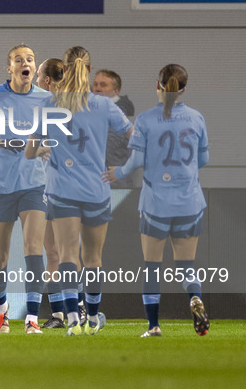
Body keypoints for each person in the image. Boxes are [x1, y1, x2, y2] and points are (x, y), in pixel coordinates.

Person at [26, 46, 133, 336]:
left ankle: (72, 316)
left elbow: (29, 152)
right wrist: (120, 170)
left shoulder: (49, 104)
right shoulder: (104, 105)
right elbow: (134, 137)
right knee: (94, 258)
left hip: (62, 191)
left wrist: (46, 148)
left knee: (66, 256)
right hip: (97, 190)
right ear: (88, 70)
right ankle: (94, 316)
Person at [102, 64, 210, 338]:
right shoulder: (197, 118)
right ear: (184, 88)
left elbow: (136, 161)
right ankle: (195, 298)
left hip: (156, 203)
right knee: (186, 264)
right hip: (190, 202)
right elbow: (204, 159)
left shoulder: (147, 119)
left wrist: (119, 172)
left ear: (157, 85)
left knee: (152, 265)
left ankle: (153, 326)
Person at [0, 44, 49, 334]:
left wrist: (42, 148)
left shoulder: (47, 99)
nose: (25, 63)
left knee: (34, 248)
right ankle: (1, 311)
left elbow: (52, 141)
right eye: (18, 59)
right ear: (9, 68)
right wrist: (8, 142)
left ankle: (32, 319)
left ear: (35, 67)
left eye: (30, 59)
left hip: (33, 185)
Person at [35, 58, 68, 329]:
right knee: (56, 253)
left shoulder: (50, 108)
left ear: (47, 81)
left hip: (59, 189)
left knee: (59, 254)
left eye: (37, 76)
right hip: (53, 188)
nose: (35, 81)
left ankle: (71, 309)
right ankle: (63, 312)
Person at [92, 69, 138, 188]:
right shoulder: (90, 112)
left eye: (103, 85)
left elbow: (106, 147)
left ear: (116, 90)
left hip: (115, 184)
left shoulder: (119, 117)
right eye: (95, 84)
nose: (97, 89)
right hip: (95, 184)